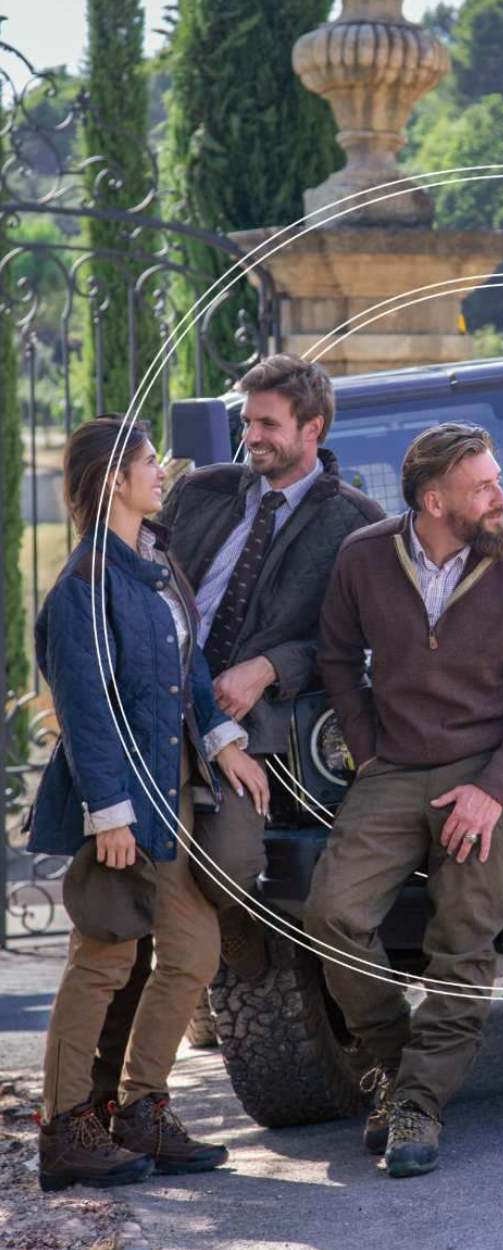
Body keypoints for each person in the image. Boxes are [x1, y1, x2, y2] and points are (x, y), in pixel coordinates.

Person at [90, 354, 383, 1112]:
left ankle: (221, 963)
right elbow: (131, 565)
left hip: (251, 726)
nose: (249, 436)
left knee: (231, 860)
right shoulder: (202, 490)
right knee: (120, 895)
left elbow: (349, 639)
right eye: (246, 421)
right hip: (157, 702)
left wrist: (268, 668)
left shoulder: (356, 523)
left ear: (311, 428)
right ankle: (110, 1084)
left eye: (266, 424)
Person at [306, 422, 503, 1178]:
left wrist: (493, 791)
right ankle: (400, 1068)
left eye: (497, 480)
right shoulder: (363, 558)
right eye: (483, 486)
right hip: (393, 771)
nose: (501, 496)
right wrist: (367, 747)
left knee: (462, 936)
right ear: (433, 500)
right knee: (332, 917)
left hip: (491, 771)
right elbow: (335, 655)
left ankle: (418, 1105)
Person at [30, 417, 268, 1191]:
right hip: (125, 811)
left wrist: (226, 736)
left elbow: (189, 666)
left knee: (194, 955)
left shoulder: (154, 562)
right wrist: (110, 814)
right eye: (146, 463)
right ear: (112, 482)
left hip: (174, 804)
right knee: (101, 960)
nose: (161, 471)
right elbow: (87, 708)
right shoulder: (84, 588)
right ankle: (66, 1131)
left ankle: (140, 1112)